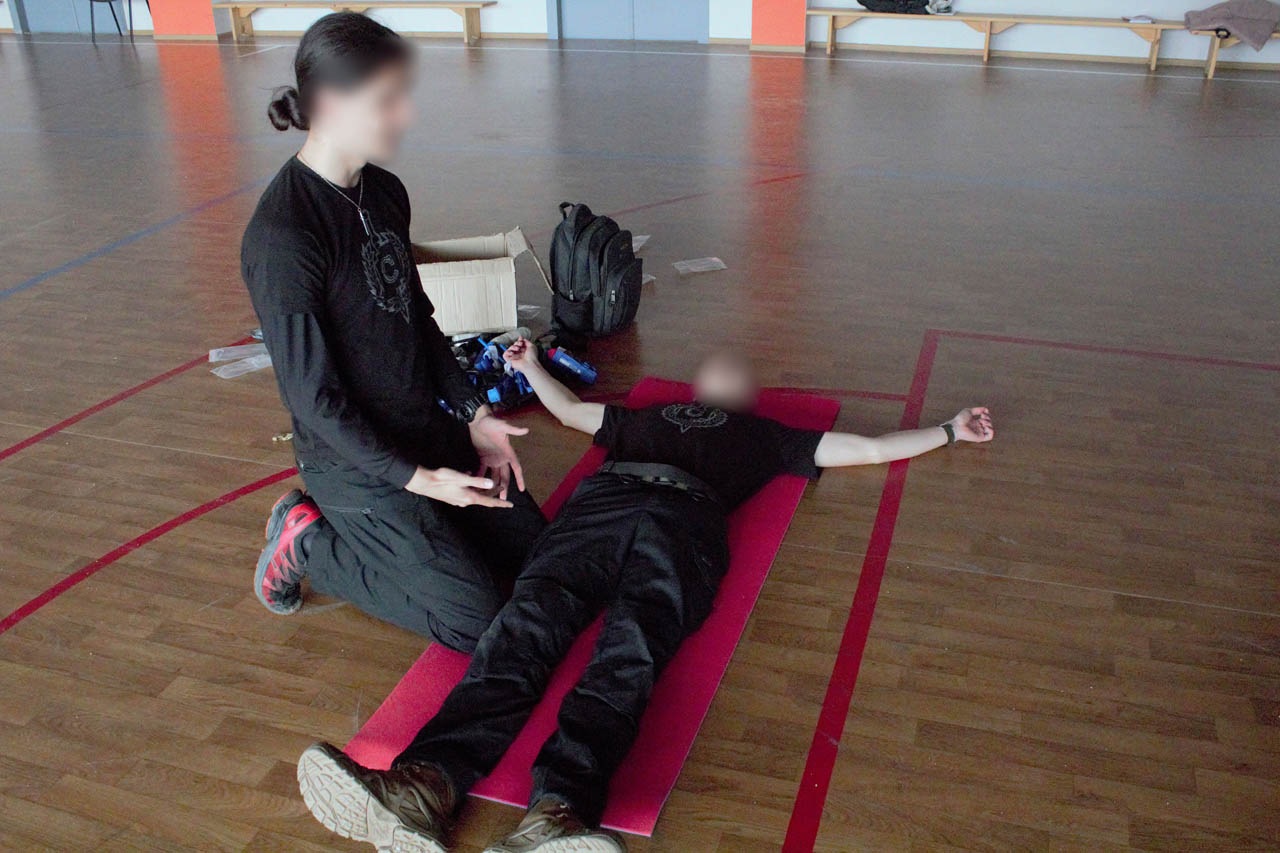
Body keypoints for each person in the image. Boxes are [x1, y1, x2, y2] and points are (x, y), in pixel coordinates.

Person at [294, 341, 996, 853]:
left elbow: (865, 449)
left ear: (750, 395)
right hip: (600, 509)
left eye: (739, 369)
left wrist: (946, 430)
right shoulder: (647, 414)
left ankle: (556, 815)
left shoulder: (767, 436)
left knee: (628, 656)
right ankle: (421, 786)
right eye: (718, 363)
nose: (726, 369)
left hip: (685, 525)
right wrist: (530, 364)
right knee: (523, 629)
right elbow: (572, 411)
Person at [240, 13, 546, 652]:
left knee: (538, 560)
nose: (405, 115)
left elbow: (417, 317)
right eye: (387, 100)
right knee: (479, 621)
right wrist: (417, 480)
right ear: (331, 103)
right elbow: (313, 401)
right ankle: (309, 541)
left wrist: (474, 415)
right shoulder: (284, 236)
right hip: (353, 463)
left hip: (424, 429)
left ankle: (421, 531)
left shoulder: (384, 191)